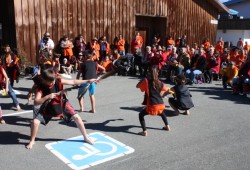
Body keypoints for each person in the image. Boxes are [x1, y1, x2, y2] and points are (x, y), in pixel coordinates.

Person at [26, 66, 95, 149]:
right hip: (48, 106)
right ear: (44, 80)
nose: (53, 83)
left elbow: (73, 81)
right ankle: (32, 140)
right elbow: (36, 102)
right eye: (50, 82)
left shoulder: (58, 80)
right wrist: (47, 97)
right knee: (35, 122)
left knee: (77, 117)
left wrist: (87, 81)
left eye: (53, 80)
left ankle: (86, 137)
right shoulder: (41, 87)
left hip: (62, 102)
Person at [136, 66, 171, 136]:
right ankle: (167, 126)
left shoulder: (146, 81)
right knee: (161, 113)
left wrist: (142, 80)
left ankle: (144, 131)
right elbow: (166, 89)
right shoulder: (160, 83)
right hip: (161, 104)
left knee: (141, 115)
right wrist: (169, 89)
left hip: (152, 105)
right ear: (157, 73)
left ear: (149, 73)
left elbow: (137, 86)